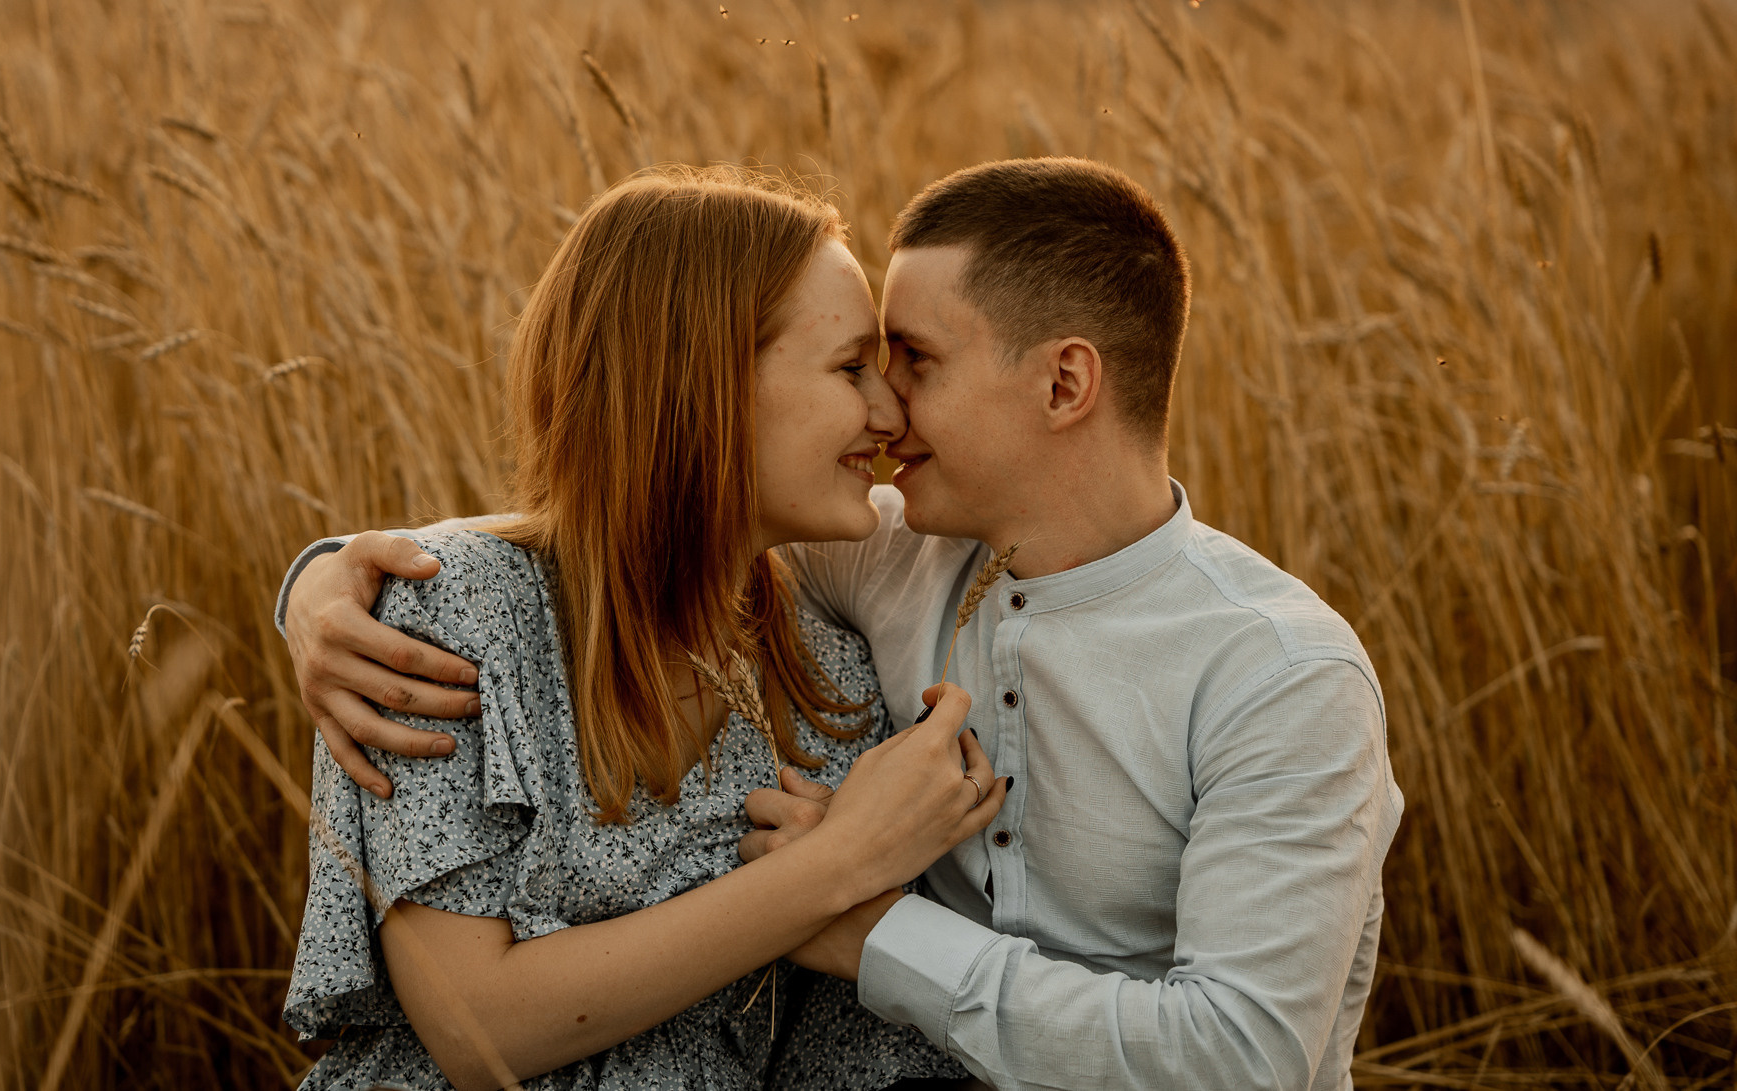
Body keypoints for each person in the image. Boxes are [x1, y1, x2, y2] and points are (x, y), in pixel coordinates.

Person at [284, 157, 1404, 1091]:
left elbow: (1247, 1059)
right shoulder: (868, 562)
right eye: (859, 363)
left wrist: (872, 930)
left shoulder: (1276, 672)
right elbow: (620, 523)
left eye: (910, 361)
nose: (885, 410)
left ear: (1065, 383)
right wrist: (333, 581)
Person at [282, 167, 1011, 1091]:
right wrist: (838, 863)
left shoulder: (831, 669)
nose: (888, 412)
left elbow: (829, 1042)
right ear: (699, 384)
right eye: (850, 367)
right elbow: (479, 1030)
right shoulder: (454, 618)